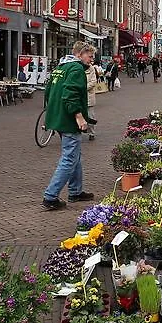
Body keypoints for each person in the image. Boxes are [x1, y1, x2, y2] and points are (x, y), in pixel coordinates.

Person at [42, 42, 97, 210]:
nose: (92, 59)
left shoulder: (60, 67)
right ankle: (50, 196)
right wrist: (79, 117)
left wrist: (50, 114)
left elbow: (48, 91)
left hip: (57, 118)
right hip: (68, 120)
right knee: (69, 157)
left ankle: (75, 191)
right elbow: (70, 94)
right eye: (90, 55)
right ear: (80, 55)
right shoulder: (76, 69)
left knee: (75, 155)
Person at [85, 58, 100, 141]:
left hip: (88, 96)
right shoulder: (77, 68)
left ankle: (91, 133)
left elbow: (93, 82)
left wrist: (82, 87)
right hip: (78, 96)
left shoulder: (92, 69)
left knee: (90, 116)